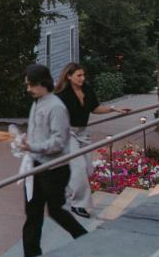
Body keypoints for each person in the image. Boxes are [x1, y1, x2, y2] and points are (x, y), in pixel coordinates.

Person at [19, 64, 87, 257]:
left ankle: (83, 238)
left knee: (56, 211)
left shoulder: (56, 106)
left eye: (31, 85)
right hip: (34, 166)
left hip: (54, 169)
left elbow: (59, 141)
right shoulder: (37, 103)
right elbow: (38, 133)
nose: (28, 89)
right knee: (33, 214)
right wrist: (25, 142)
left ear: (42, 83)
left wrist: (33, 146)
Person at [55, 63, 130, 218]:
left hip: (82, 132)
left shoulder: (87, 90)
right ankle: (78, 204)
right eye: (79, 75)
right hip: (67, 133)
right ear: (69, 76)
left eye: (83, 75)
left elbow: (95, 108)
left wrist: (114, 109)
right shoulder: (61, 95)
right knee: (79, 167)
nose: (82, 78)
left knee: (88, 168)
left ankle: (64, 190)